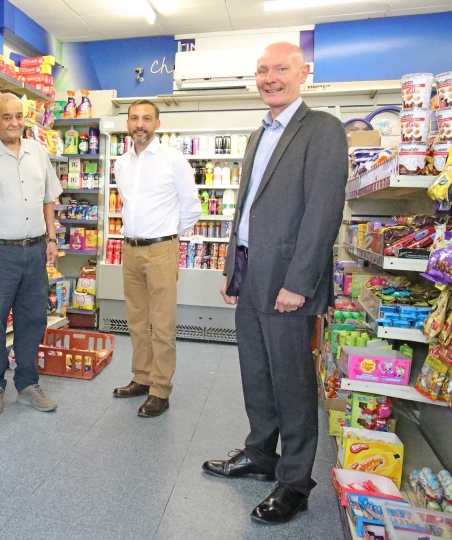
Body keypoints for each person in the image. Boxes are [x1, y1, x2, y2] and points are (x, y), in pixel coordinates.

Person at [202, 42, 348, 525]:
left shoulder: (322, 129)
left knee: (292, 382)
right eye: (262, 70)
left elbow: (323, 212)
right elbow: (244, 209)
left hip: (287, 280)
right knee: (256, 374)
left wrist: (300, 282)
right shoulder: (257, 134)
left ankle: (295, 483)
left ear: (302, 72)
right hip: (250, 273)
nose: (269, 78)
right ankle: (260, 454)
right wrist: (231, 268)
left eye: (280, 69)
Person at [0, 93, 62, 415]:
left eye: (19, 116)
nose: (15, 123)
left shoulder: (37, 151)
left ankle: (28, 384)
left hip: (34, 249)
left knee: (32, 320)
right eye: (7, 117)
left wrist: (52, 239)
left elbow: (48, 199)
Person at [111, 100, 202, 418]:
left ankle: (160, 389)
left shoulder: (173, 160)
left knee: (162, 324)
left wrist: (168, 235)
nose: (140, 124)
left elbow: (193, 206)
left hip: (161, 249)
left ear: (157, 124)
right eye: (134, 118)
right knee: (136, 320)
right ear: (127, 124)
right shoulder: (121, 163)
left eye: (146, 118)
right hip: (130, 249)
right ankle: (141, 377)